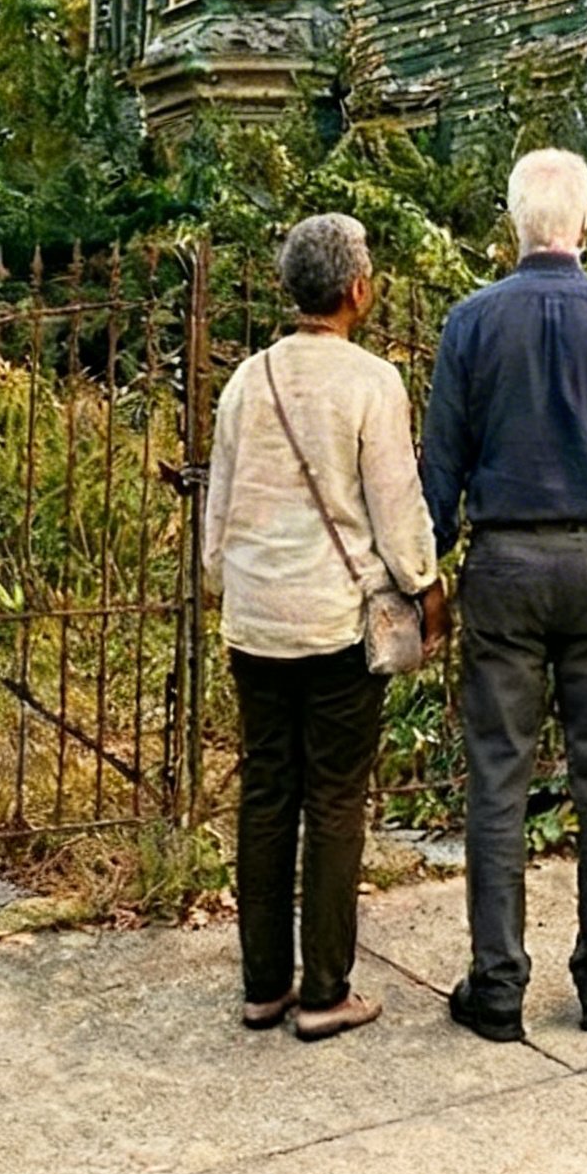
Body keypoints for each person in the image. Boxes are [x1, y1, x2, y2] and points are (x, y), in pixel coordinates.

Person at [421, 148, 587, 1043]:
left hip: (503, 566)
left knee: (498, 778)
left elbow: (439, 474)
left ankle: (498, 985)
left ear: (515, 223)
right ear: (586, 223)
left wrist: (422, 575)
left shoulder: (469, 324)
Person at [204, 214, 446, 1042]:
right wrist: (426, 587)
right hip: (337, 623)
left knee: (267, 791)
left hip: (255, 621)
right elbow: (397, 507)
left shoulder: (247, 381)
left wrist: (229, 581)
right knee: (336, 800)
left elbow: (218, 515)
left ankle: (262, 986)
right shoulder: (371, 382)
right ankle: (325, 991)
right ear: (358, 290)